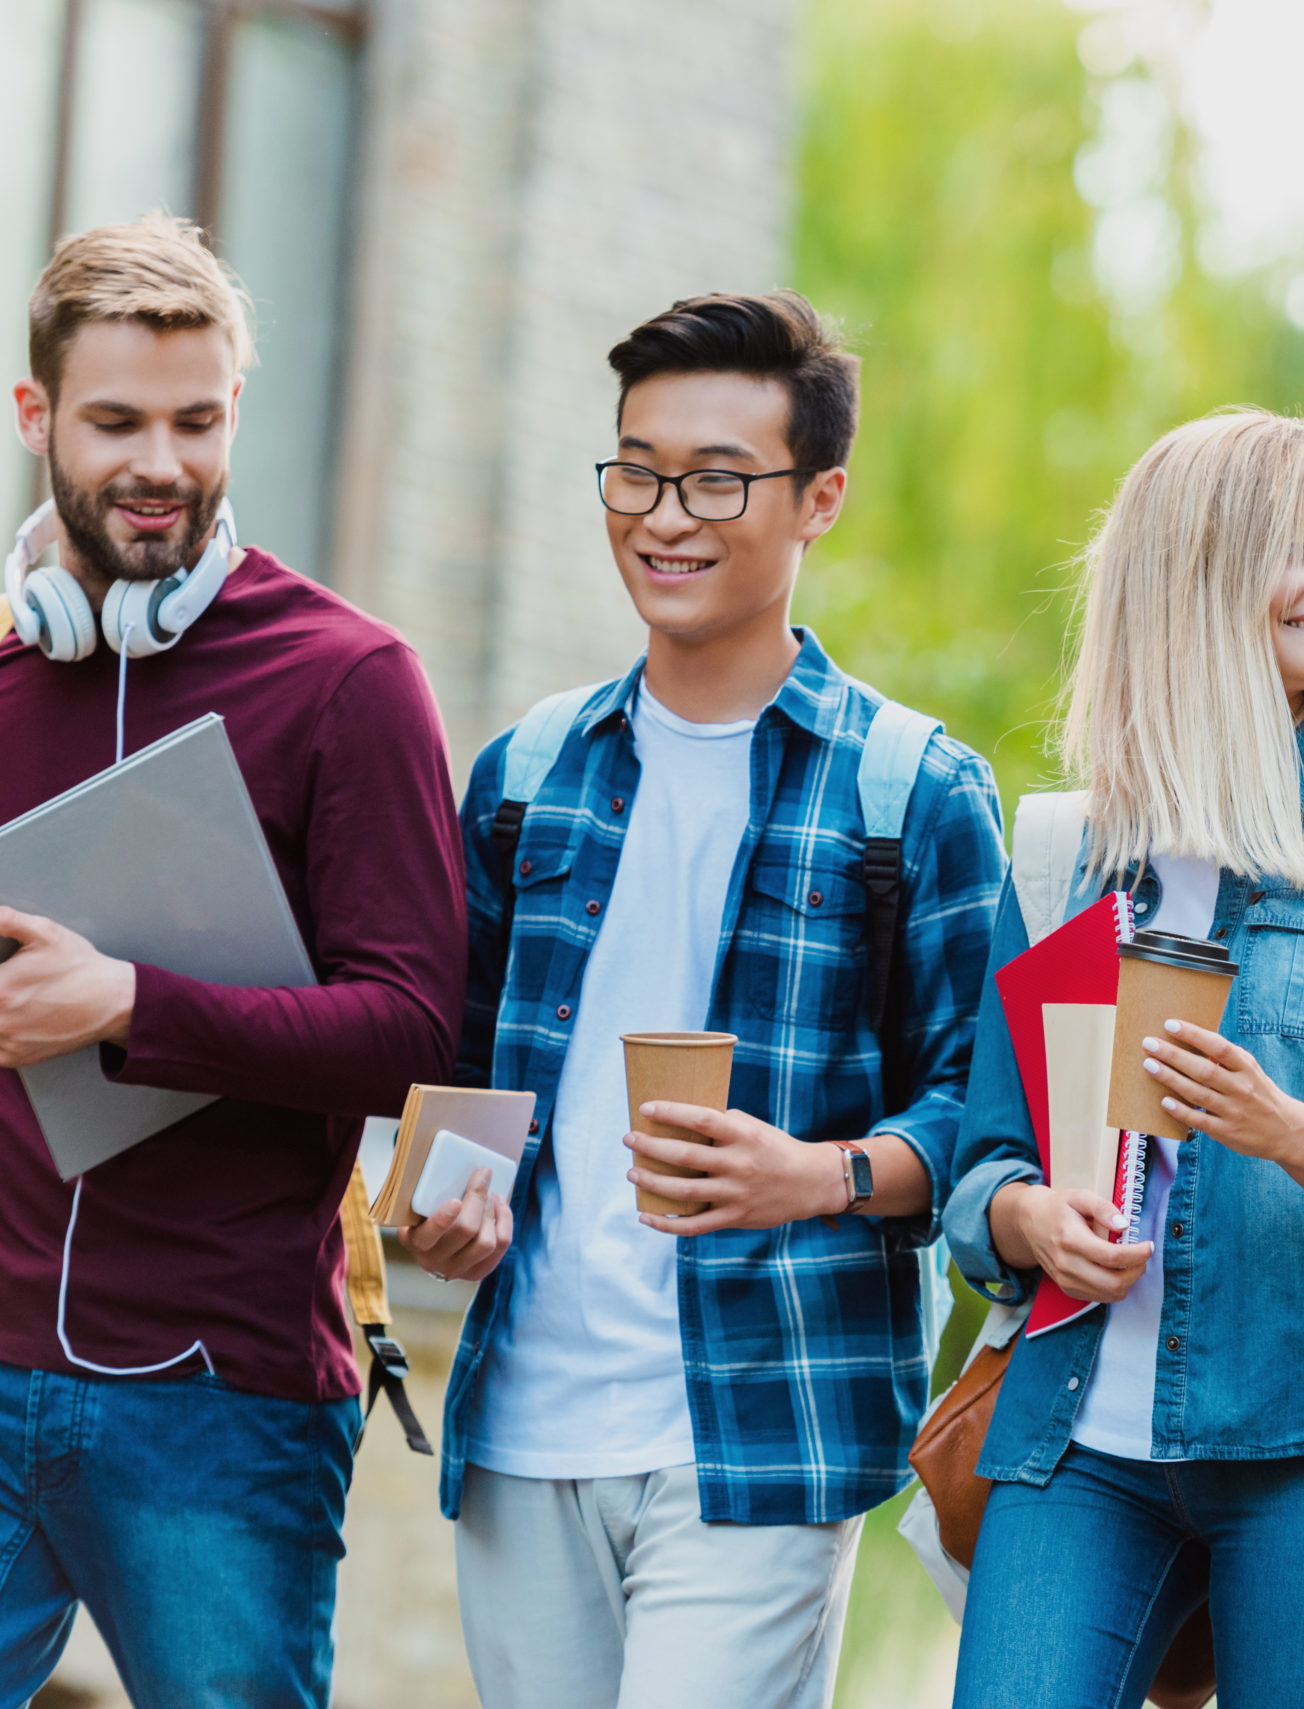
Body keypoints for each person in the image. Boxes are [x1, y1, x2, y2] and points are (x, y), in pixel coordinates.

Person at [0, 213, 476, 1707]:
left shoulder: (354, 682)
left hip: (220, 1396)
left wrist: (131, 1002)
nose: (160, 465)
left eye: (195, 420)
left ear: (237, 407)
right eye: (115, 422)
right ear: (36, 415)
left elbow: (410, 1024)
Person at [436, 290, 1007, 1709]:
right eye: (636, 470)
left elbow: (988, 1114)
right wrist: (438, 1193)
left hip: (766, 1423)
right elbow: (455, 1061)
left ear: (819, 500)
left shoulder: (911, 791)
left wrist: (815, 1173)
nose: (663, 514)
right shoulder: (524, 773)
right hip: (522, 1420)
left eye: (715, 479)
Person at [944, 409, 1304, 1709]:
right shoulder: (1071, 850)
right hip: (1077, 1436)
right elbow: (986, 1166)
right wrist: (1034, 1215)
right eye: (1297, 544)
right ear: (1191, 567)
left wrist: (1284, 1127)